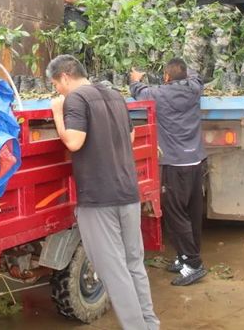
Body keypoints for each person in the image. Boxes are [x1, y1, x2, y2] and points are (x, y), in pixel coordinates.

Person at [48, 55, 159, 330]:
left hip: (99, 198)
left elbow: (74, 142)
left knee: (113, 271)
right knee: (133, 263)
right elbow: (130, 136)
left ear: (64, 77)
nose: (57, 91)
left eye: (55, 85)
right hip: (127, 193)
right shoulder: (115, 96)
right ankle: (150, 324)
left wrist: (57, 115)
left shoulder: (76, 99)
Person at [129, 58, 208, 287]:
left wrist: (136, 78)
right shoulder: (194, 89)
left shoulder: (158, 94)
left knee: (175, 214)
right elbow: (196, 77)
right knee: (192, 212)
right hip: (195, 160)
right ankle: (185, 257)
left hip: (175, 164)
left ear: (165, 77)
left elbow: (138, 91)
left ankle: (193, 264)